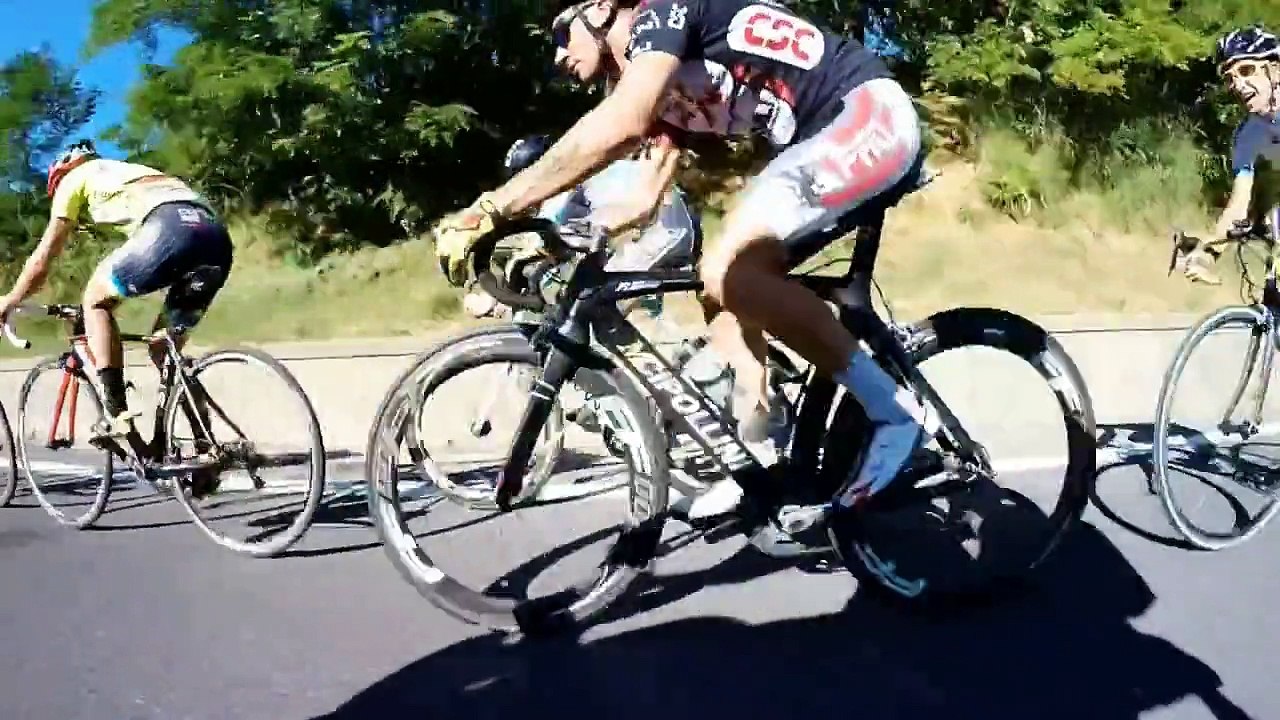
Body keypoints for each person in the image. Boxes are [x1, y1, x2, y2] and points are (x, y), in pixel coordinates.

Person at [433, 0, 927, 523]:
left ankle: (893, 414)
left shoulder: (661, 15)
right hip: (818, 142)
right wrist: (549, 241)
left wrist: (493, 207)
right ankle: (756, 459)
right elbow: (642, 199)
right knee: (718, 289)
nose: (556, 57)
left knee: (726, 269)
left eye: (560, 35)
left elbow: (622, 123)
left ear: (599, 9)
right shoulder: (667, 85)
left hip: (863, 116)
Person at [0, 139, 234, 454]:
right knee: (164, 351)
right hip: (215, 237)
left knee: (95, 300)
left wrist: (11, 299)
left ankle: (116, 415)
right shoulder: (132, 172)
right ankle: (208, 449)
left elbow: (44, 257)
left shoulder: (75, 179)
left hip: (169, 229)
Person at [461, 131, 700, 320]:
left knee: (590, 310)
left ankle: (656, 374)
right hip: (667, 225)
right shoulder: (586, 172)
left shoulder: (559, 191)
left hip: (657, 231)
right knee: (615, 307)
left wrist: (494, 300)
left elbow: (541, 245)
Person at [1179, 26, 1280, 284]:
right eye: (1230, 77)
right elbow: (1239, 203)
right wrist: (1208, 254)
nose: (1237, 84)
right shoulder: (1249, 135)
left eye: (1247, 71)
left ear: (1275, 70)